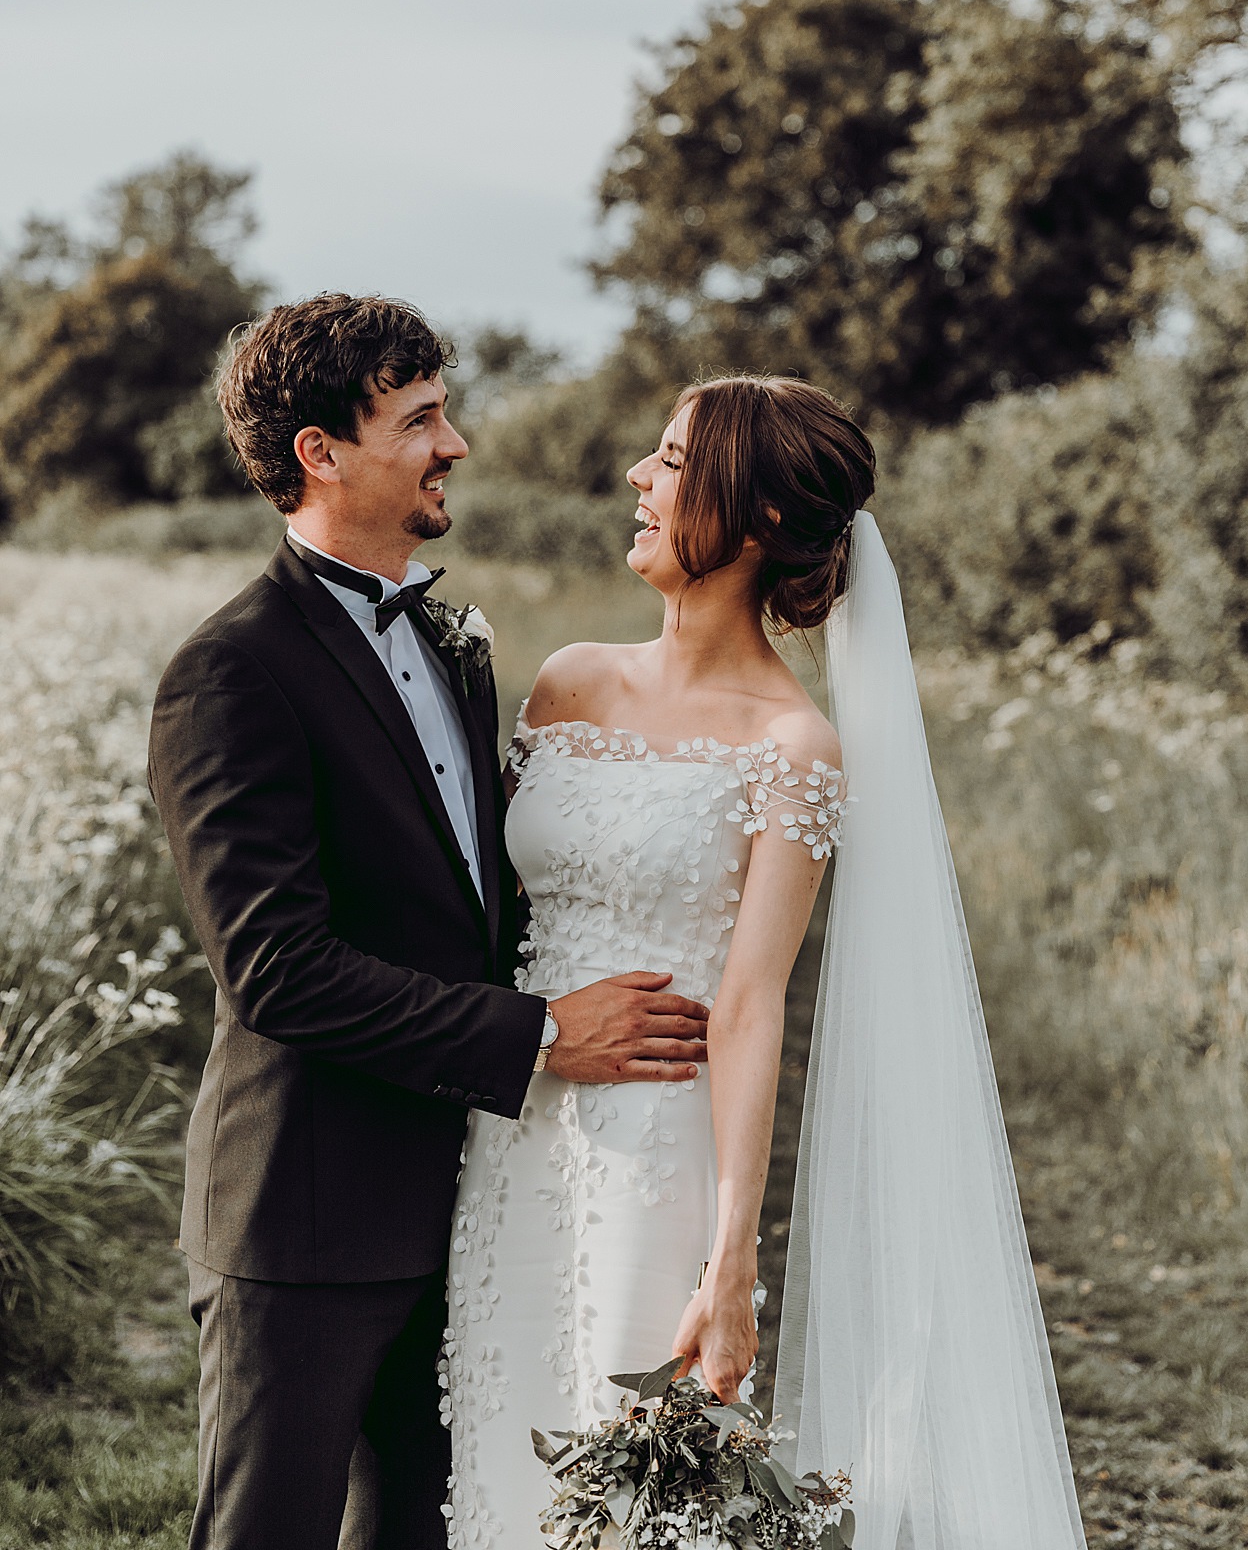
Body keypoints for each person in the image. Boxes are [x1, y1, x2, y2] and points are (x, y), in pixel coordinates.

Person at [441, 373, 1088, 1549]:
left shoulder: (791, 745)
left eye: (672, 461)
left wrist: (731, 1254)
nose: (638, 477)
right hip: (517, 1126)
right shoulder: (568, 678)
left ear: (750, 524)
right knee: (497, 1445)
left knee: (619, 1481)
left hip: (656, 1144)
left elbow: (749, 1003)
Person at [147, 293, 710, 1550]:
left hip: (468, 1200)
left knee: (423, 1528)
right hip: (303, 1208)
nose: (453, 441)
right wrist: (541, 1031)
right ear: (320, 453)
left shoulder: (455, 644)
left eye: (443, 411)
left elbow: (469, 903)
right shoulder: (231, 668)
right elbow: (277, 971)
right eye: (420, 418)